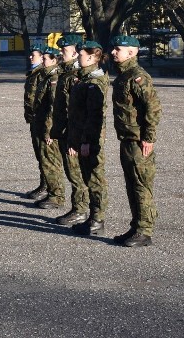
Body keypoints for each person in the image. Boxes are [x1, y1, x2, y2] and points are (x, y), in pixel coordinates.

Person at [109, 35, 162, 248]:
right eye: (114, 48)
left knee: (141, 185)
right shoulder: (124, 76)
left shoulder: (138, 77)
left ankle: (144, 230)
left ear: (132, 52)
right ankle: (136, 225)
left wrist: (148, 138)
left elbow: (153, 108)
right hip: (127, 140)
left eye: (118, 49)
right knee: (131, 185)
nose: (113, 52)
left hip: (139, 141)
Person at [67, 41, 110, 237]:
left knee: (95, 180)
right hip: (82, 137)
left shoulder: (94, 82)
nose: (78, 57)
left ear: (92, 57)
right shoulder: (84, 79)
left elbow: (94, 117)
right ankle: (92, 218)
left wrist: (85, 141)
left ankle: (97, 221)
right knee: (88, 178)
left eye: (81, 54)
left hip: (90, 139)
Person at [48, 34, 89, 226]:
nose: (60, 54)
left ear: (74, 52)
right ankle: (77, 208)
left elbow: (78, 112)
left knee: (76, 173)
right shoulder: (65, 73)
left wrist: (76, 138)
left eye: (63, 51)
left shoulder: (76, 76)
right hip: (65, 131)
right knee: (70, 171)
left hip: (73, 132)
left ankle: (80, 210)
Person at [31, 46, 65, 210]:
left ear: (54, 60)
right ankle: (51, 191)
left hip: (48, 128)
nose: (42, 61)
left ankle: (56, 195)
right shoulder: (45, 76)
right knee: (45, 161)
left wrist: (49, 130)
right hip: (40, 124)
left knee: (51, 162)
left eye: (45, 59)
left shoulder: (54, 78)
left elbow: (53, 107)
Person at [23, 47, 47, 199]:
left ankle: (48, 187)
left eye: (34, 56)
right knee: (39, 154)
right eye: (30, 55)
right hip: (34, 118)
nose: (31, 58)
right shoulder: (34, 72)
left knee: (44, 155)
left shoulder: (42, 73)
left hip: (40, 119)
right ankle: (43, 184)